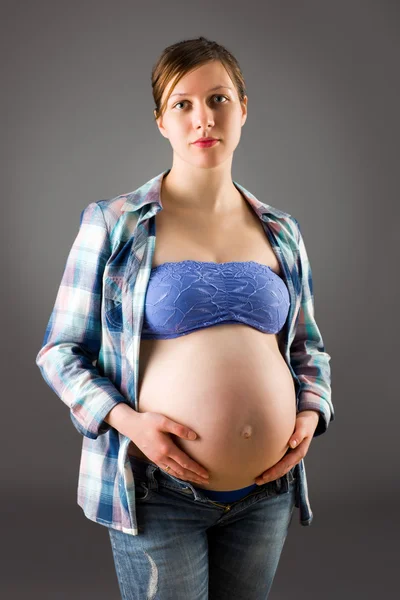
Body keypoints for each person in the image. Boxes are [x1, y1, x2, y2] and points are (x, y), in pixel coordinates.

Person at [36, 36, 334, 600]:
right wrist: (129, 422)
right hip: (157, 492)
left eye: (219, 99)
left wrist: (310, 414)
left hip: (265, 495)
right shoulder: (116, 223)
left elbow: (307, 348)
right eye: (183, 103)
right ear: (161, 122)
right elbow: (59, 351)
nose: (204, 118)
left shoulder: (281, 231)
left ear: (243, 109)